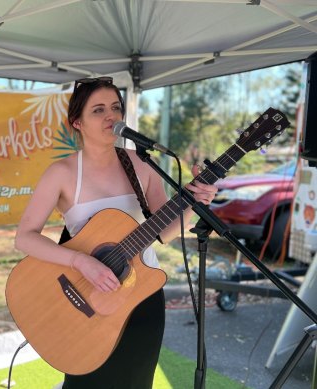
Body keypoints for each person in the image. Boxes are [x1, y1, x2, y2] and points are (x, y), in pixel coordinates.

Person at [14, 77, 218, 388]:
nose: (111, 116)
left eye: (115, 107)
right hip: (86, 298)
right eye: (98, 110)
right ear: (77, 123)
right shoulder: (62, 173)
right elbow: (24, 237)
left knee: (137, 381)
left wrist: (194, 202)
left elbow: (164, 232)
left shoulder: (143, 165)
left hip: (142, 296)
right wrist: (81, 262)